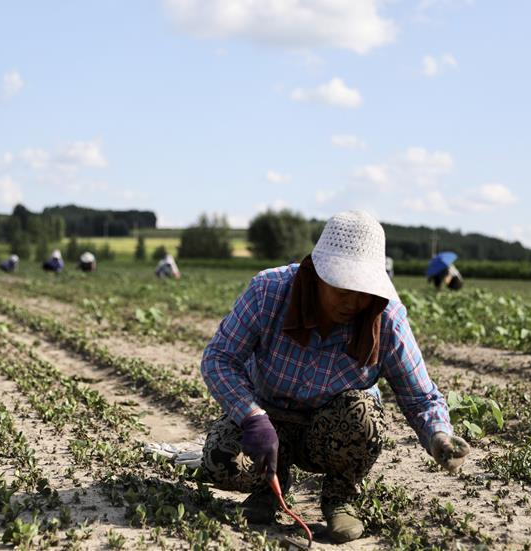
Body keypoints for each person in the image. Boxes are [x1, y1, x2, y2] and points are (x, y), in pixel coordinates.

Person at [200, 210, 469, 543]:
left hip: (333, 432)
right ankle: (269, 486)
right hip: (269, 423)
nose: (353, 302)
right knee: (220, 459)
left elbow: (419, 395)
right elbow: (219, 358)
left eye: (362, 291)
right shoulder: (268, 292)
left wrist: (439, 437)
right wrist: (251, 416)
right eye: (343, 290)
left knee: (363, 412)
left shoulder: (386, 318)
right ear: (316, 275)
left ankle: (340, 498)